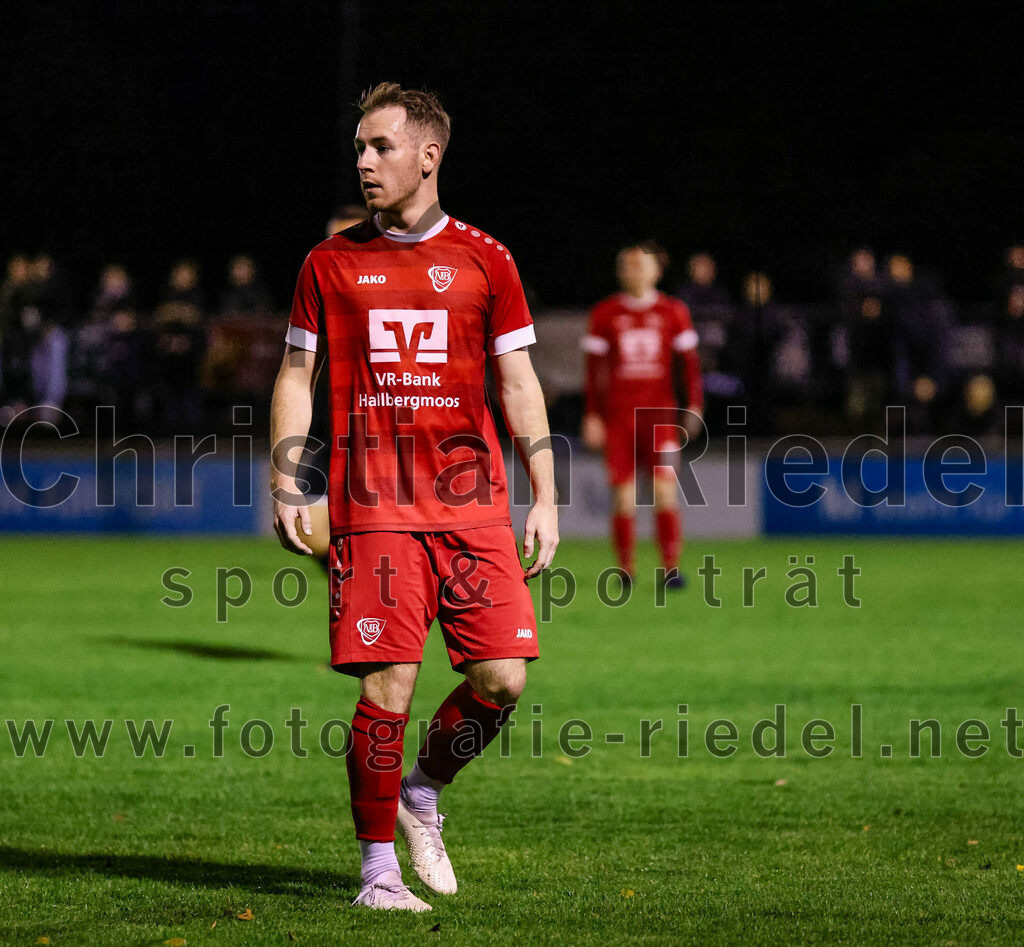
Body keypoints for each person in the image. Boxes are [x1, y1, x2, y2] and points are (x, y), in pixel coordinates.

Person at [270, 82, 558, 913]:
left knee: (503, 680)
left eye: (381, 146)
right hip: (375, 507)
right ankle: (377, 873)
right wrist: (290, 475)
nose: (364, 161)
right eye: (358, 147)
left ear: (428, 155)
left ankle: (423, 788)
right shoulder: (328, 263)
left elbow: (519, 382)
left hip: (472, 507)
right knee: (385, 689)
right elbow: (297, 375)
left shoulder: (486, 259)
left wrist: (544, 495)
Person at [581, 242, 703, 587]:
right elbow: (594, 373)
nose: (633, 271)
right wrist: (592, 415)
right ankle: (626, 569)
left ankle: (670, 568)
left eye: (640, 265)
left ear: (656, 271)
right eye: (627, 265)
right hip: (619, 418)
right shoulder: (605, 314)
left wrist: (694, 405)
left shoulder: (673, 311)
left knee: (665, 489)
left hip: (660, 417)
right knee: (624, 495)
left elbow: (689, 367)